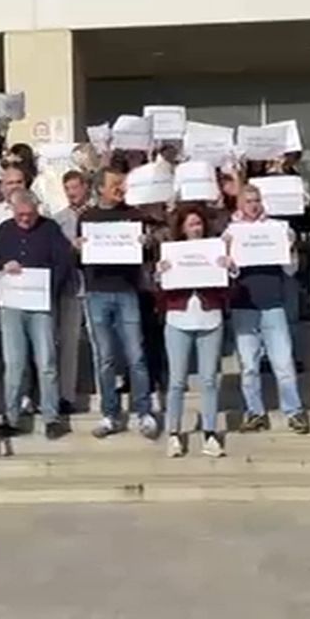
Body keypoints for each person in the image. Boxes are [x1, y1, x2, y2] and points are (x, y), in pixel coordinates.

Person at [0, 189, 76, 440]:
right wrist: (4, 265)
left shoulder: (50, 229)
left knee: (46, 361)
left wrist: (47, 287)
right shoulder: (5, 229)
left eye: (29, 215)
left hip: (41, 305)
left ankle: (51, 417)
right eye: (20, 215)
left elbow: (63, 263)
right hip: (12, 304)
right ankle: (10, 417)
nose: (25, 219)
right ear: (13, 212)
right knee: (14, 364)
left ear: (37, 211)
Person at [77, 168, 157, 439]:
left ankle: (144, 411)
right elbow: (80, 259)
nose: (120, 188)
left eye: (121, 184)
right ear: (100, 188)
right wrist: (77, 248)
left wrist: (146, 243)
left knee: (136, 356)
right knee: (105, 358)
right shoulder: (87, 218)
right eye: (115, 184)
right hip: (97, 292)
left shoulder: (133, 215)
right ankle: (109, 414)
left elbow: (147, 255)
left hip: (127, 291)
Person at [225, 185, 309, 434]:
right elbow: (226, 273)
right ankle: (255, 413)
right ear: (239, 205)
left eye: (257, 200)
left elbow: (291, 270)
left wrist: (290, 247)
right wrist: (227, 255)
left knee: (283, 363)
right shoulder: (231, 233)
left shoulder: (277, 228)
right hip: (244, 306)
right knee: (249, 366)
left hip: (273, 304)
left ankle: (294, 412)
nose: (253, 204)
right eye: (248, 200)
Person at [156, 205, 230, 458]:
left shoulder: (214, 250)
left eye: (198, 223)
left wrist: (228, 269)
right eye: (191, 224)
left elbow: (226, 292)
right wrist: (161, 275)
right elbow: (161, 296)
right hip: (178, 319)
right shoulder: (173, 254)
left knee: (209, 379)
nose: (196, 228)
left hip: (210, 318)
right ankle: (174, 433)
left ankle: (210, 432)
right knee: (177, 381)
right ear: (182, 229)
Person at [48, 170, 93, 414]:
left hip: (97, 284)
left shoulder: (98, 215)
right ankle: (66, 394)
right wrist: (70, 248)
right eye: (68, 189)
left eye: (75, 187)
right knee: (67, 342)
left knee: (100, 343)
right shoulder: (58, 220)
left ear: (85, 187)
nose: (72, 193)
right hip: (71, 286)